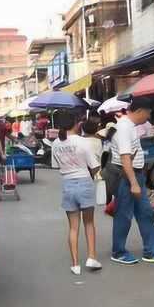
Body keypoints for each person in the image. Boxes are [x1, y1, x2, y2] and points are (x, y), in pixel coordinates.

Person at [110, 97, 154, 265]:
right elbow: (125, 158)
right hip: (127, 177)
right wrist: (134, 183)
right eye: (148, 113)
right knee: (124, 215)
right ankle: (119, 251)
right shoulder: (124, 127)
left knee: (146, 213)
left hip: (136, 176)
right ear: (139, 111)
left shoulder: (130, 127)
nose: (148, 117)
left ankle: (152, 251)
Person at [52, 111, 101, 275]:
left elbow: (55, 166)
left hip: (67, 185)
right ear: (75, 123)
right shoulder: (83, 142)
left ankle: (75, 264)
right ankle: (92, 258)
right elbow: (95, 166)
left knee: (73, 227)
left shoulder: (55, 144)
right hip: (84, 183)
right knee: (89, 223)